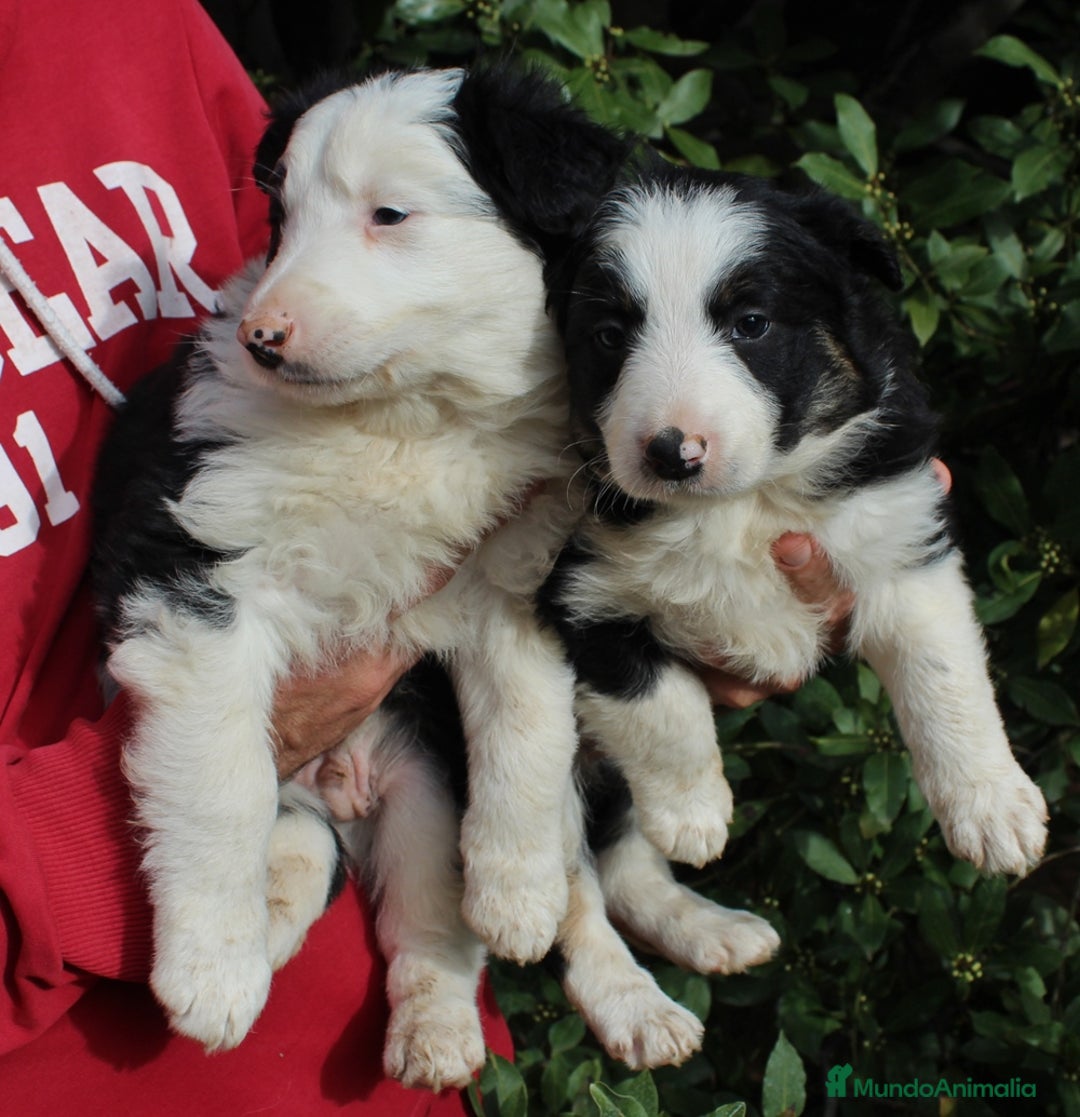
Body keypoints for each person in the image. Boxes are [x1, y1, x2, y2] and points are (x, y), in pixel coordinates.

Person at [0, 1, 872, 1112]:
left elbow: (514, 620)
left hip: (381, 1051)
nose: (274, 301)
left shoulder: (126, 27)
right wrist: (181, 870)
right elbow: (197, 628)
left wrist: (715, 589)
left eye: (387, 216)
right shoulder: (248, 419)